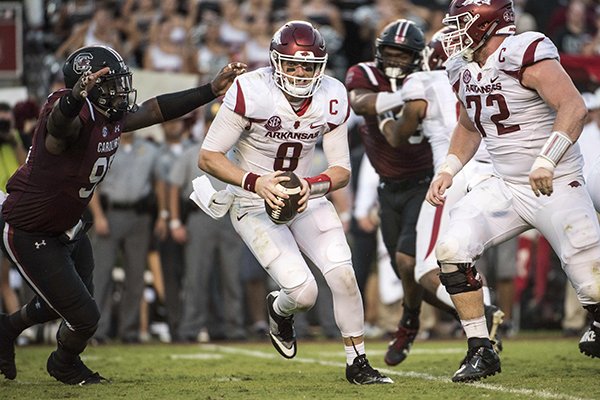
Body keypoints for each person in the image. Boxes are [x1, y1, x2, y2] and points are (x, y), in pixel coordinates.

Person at [0, 44, 245, 384]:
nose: (120, 91)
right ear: (87, 87)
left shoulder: (106, 115)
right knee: (85, 317)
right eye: (111, 84)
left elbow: (154, 110)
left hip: (68, 224)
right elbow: (58, 132)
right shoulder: (69, 110)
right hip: (30, 228)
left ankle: (7, 328)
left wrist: (209, 91)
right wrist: (73, 99)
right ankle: (63, 364)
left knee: (70, 305)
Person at [198, 20, 392, 385]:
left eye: (309, 65)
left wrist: (310, 184)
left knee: (343, 274)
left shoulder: (331, 94)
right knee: (303, 293)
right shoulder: (250, 90)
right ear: (276, 62)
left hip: (305, 195)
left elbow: (341, 170)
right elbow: (208, 157)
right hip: (252, 201)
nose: (300, 72)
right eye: (292, 63)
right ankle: (279, 309)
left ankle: (358, 361)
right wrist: (256, 182)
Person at [427, 0, 600, 383]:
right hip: (505, 185)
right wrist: (448, 169)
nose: (452, 33)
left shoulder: (523, 51)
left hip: (554, 183)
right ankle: (481, 350)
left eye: (461, 23)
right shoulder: (463, 68)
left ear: (486, 24)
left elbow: (573, 107)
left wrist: (547, 159)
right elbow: (469, 126)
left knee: (593, 287)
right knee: (452, 250)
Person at [377, 26, 506, 365]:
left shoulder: (422, 81)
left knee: (424, 269)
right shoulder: (479, 76)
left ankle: (486, 311)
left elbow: (401, 133)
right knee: (462, 256)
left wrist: (387, 123)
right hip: (493, 174)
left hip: (452, 177)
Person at [345, 19, 456, 367]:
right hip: (387, 187)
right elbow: (360, 103)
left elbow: (400, 132)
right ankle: (466, 311)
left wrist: (418, 90)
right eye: (389, 52)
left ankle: (462, 320)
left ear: (416, 56)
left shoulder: (429, 77)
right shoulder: (365, 72)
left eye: (402, 53)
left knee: (411, 263)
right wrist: (406, 94)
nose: (394, 59)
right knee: (405, 272)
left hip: (425, 183)